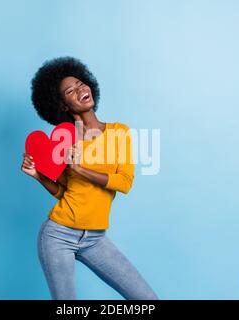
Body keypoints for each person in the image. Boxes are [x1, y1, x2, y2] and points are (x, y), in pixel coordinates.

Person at [21, 56, 158, 300]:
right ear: (62, 105)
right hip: (58, 235)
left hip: (96, 238)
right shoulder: (63, 138)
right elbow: (66, 192)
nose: (80, 89)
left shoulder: (118, 132)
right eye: (70, 91)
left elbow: (124, 182)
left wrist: (80, 168)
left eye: (81, 83)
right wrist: (38, 176)